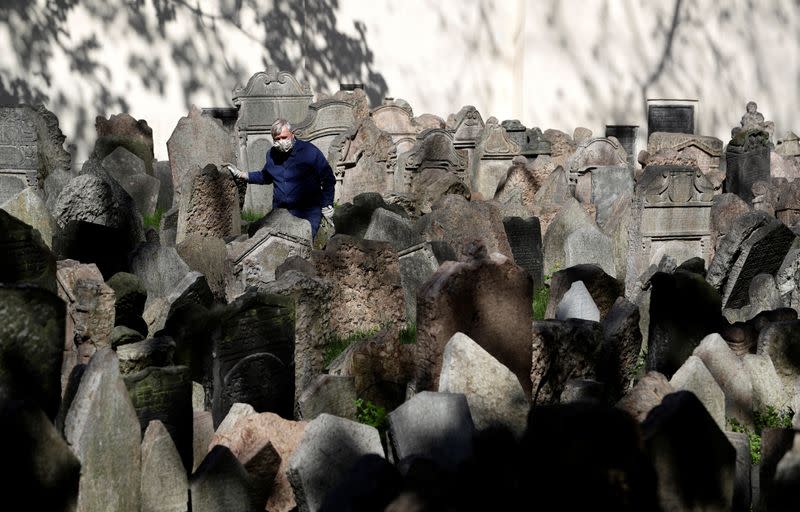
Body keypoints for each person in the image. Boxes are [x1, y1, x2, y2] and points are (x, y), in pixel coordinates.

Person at [224, 118, 336, 238]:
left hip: (307, 212)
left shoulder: (309, 151)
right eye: (277, 139)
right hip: (281, 212)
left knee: (302, 244)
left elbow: (328, 178)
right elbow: (265, 176)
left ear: (292, 135)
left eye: (284, 137)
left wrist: (327, 204)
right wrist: (242, 175)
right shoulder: (271, 155)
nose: (281, 141)